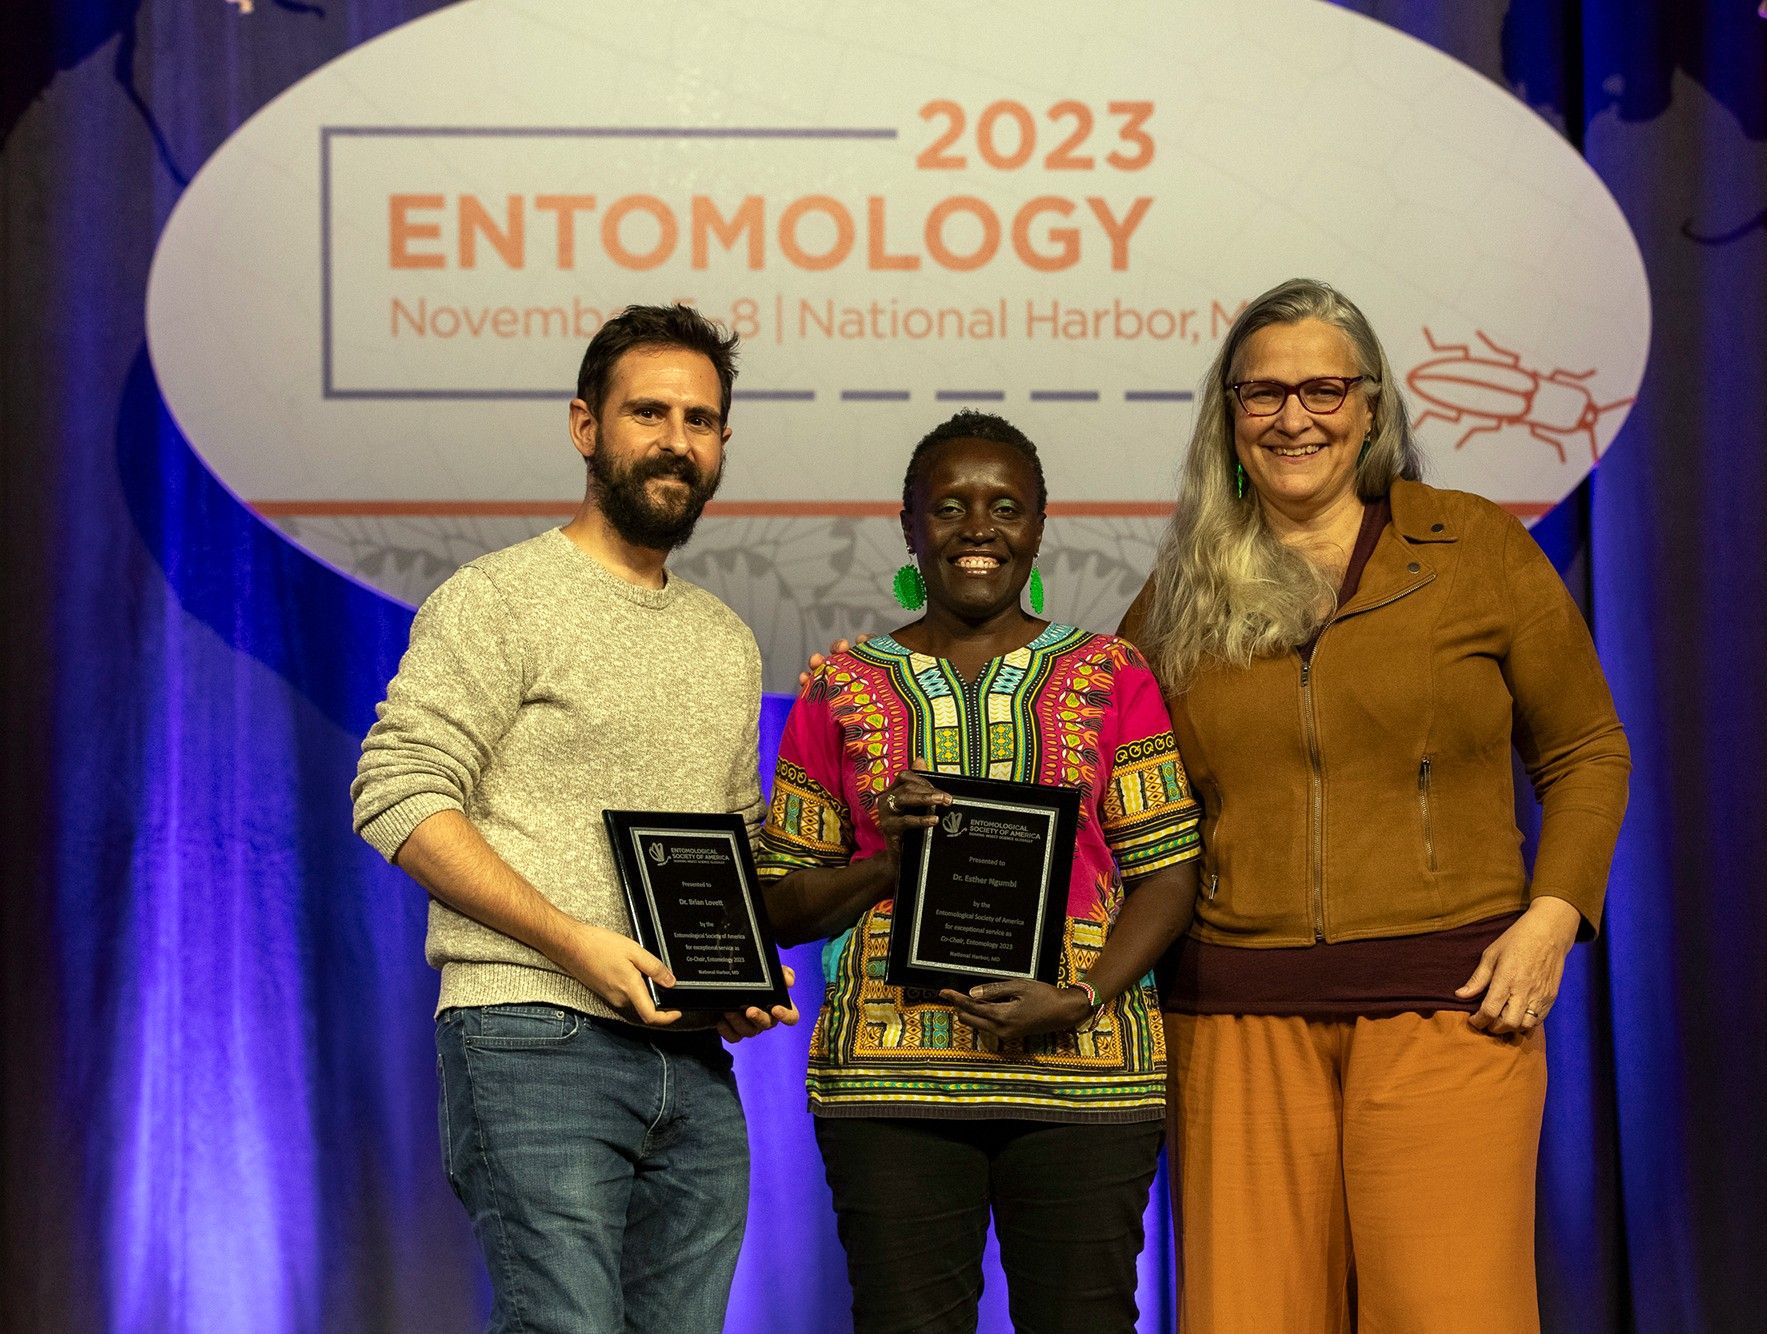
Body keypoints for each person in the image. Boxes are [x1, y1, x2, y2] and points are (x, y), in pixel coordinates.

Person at [1118, 278, 1630, 1332]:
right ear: (1227, 417)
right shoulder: (1179, 590)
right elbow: (1088, 768)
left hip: (1448, 1005)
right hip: (1233, 1019)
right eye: (1260, 393)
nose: (1291, 416)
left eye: (1321, 388)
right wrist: (896, 700)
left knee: (1450, 1313)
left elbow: (1585, 748)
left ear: (1369, 405)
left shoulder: (1474, 547)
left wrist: (1553, 915)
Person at [351, 303, 798, 1334]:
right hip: (530, 1031)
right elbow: (398, 790)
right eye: (648, 411)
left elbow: (726, 848)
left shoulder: (725, 640)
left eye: (700, 418)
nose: (675, 440)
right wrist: (573, 943)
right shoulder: (499, 597)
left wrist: (739, 967)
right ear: (584, 425)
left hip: (692, 1060)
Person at [759, 410, 1202, 1333]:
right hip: (891, 1084)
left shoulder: (1109, 672)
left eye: (1006, 506)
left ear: (1040, 526)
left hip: (1082, 1075)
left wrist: (1080, 997)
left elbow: (1168, 871)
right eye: (949, 506)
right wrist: (885, 863)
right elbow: (782, 903)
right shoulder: (842, 685)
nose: (977, 528)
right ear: (909, 526)